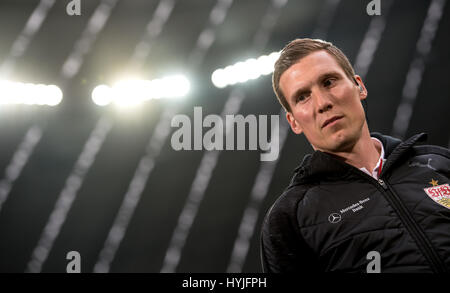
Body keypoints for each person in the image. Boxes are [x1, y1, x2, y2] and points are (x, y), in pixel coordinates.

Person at [260, 38, 450, 273]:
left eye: (329, 82)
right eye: (302, 97)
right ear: (294, 122)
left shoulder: (440, 163)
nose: (322, 103)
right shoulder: (290, 217)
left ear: (359, 86)